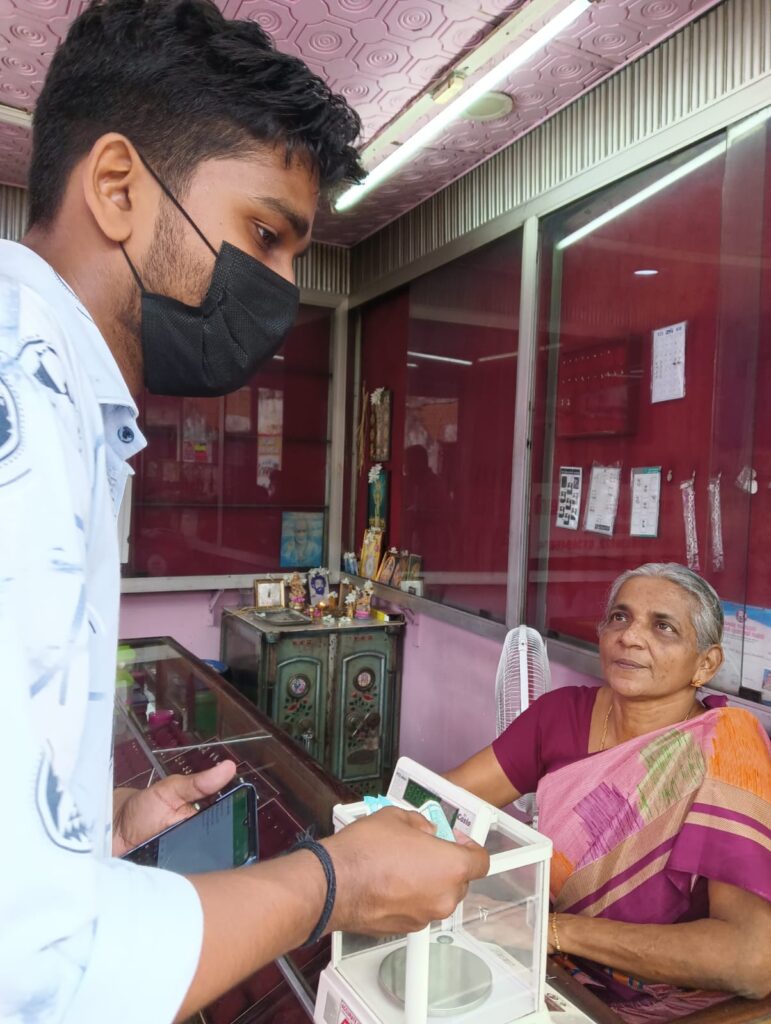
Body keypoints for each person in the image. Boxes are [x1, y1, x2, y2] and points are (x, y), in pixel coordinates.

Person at [0, 2, 489, 1021]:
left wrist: (94, 829)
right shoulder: (22, 406)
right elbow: (38, 980)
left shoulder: (67, 400)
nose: (284, 289)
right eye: (264, 235)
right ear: (118, 187)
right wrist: (335, 882)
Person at [447, 564, 771, 1023]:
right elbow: (440, 801)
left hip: (670, 1008)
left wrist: (551, 931)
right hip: (553, 979)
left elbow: (752, 959)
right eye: (620, 617)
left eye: (663, 626)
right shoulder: (560, 715)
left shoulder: (728, 748)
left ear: (706, 663)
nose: (630, 637)